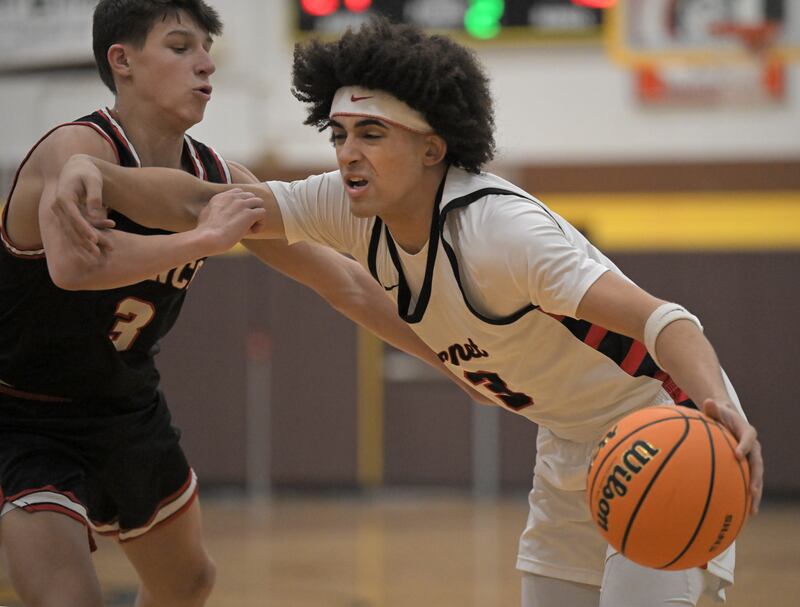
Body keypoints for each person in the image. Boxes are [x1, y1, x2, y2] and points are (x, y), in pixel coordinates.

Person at [57, 17, 763, 607]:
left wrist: (712, 402)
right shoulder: (349, 205)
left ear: (432, 146)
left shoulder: (501, 233)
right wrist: (96, 174)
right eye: (338, 134)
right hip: (569, 442)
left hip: (665, 419)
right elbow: (204, 204)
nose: (347, 153)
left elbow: (667, 318)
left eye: (371, 133)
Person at [0, 4, 479, 606]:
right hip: (24, 411)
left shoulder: (217, 176)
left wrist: (452, 361)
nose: (205, 64)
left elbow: (346, 283)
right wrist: (201, 240)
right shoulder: (74, 149)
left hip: (124, 405)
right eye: (180, 47)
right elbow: (74, 268)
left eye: (207, 48)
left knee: (190, 582)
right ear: (122, 61)